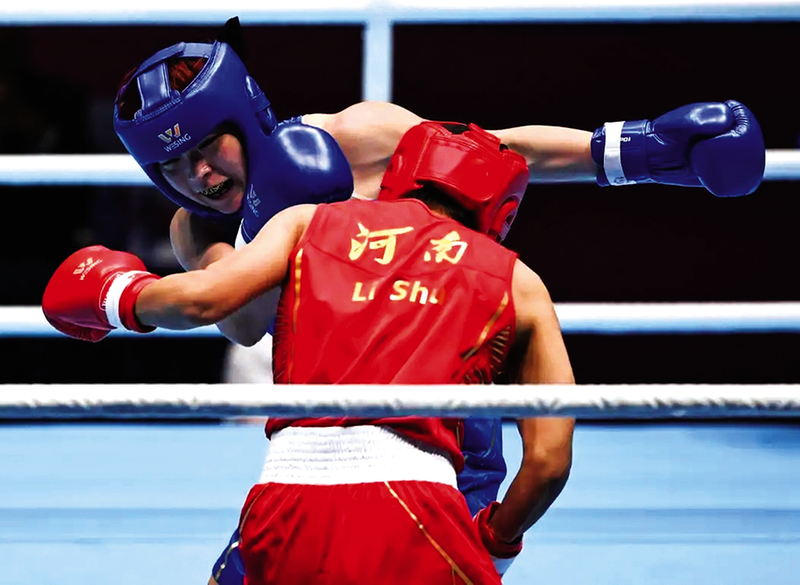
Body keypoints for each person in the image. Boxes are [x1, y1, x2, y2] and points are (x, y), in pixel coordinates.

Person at [111, 23, 765, 584]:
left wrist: (643, 150)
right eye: (172, 165)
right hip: (326, 428)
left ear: (244, 115)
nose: (198, 175)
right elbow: (245, 324)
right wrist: (267, 220)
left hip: (442, 405)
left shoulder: (356, 135)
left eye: (207, 147)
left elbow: (491, 156)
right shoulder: (194, 230)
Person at [44, 120, 576, 584]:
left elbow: (203, 300)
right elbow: (549, 462)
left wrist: (114, 296)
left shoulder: (309, 222)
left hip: (285, 495)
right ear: (501, 209)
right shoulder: (518, 281)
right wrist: (496, 542)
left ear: (398, 174)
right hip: (417, 505)